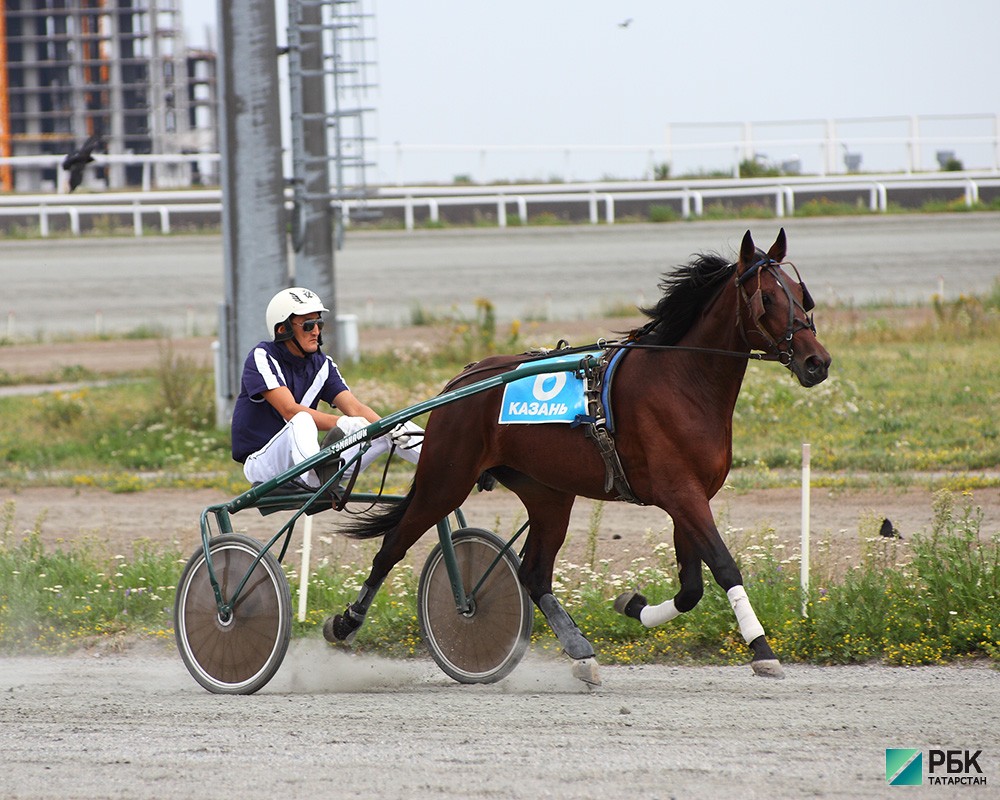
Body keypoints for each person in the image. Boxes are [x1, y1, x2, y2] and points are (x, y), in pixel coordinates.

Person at [231, 287, 421, 499]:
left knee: (393, 425)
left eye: (319, 324)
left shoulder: (324, 364)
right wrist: (344, 423)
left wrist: (389, 429)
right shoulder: (262, 356)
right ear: (282, 329)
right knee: (302, 419)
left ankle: (445, 466)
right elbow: (289, 410)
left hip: (311, 465)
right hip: (265, 465)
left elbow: (355, 408)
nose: (316, 331)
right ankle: (315, 481)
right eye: (308, 325)